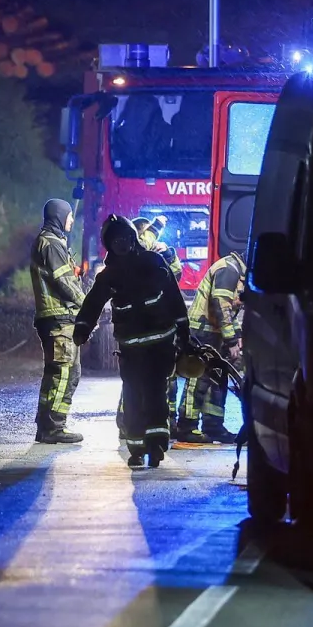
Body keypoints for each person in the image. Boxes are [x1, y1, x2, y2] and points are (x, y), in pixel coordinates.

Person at [75, 215, 190, 468]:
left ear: (132, 238)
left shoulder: (154, 261)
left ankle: (156, 444)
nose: (122, 244)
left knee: (155, 391)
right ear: (110, 244)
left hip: (158, 343)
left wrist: (184, 332)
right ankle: (137, 448)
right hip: (133, 347)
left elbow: (174, 298)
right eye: (116, 241)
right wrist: (82, 327)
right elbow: (93, 301)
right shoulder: (110, 274)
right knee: (134, 393)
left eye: (125, 238)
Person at [115, 216, 183, 438]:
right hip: (139, 326)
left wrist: (169, 255)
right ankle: (129, 424)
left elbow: (176, 276)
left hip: (160, 326)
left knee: (162, 380)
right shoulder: (131, 255)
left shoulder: (157, 258)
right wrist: (156, 226)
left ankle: (163, 423)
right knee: (134, 382)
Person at [176, 250, 246, 444]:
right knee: (198, 379)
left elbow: (229, 310)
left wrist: (236, 335)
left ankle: (213, 426)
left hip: (214, 331)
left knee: (217, 380)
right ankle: (186, 426)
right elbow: (220, 305)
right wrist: (231, 340)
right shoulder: (228, 270)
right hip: (203, 331)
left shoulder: (235, 269)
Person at [30, 198, 86, 444]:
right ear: (59, 216)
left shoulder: (53, 242)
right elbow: (63, 282)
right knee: (63, 373)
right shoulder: (51, 244)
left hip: (59, 317)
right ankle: (52, 428)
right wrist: (87, 304)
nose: (72, 220)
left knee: (66, 372)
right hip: (58, 318)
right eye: (69, 215)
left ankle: (49, 425)